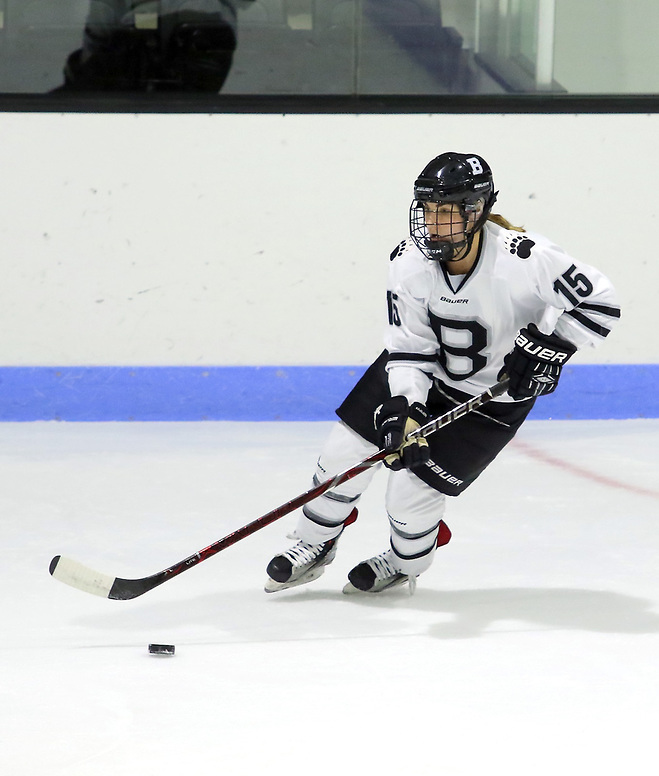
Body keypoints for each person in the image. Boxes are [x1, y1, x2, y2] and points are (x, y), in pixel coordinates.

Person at [265, 152, 621, 595]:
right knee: (342, 455)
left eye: (445, 212)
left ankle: (404, 560)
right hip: (422, 375)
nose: (432, 224)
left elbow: (600, 300)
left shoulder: (527, 258)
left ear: (476, 211)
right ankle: (314, 544)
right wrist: (405, 406)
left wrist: (555, 346)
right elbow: (410, 347)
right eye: (427, 210)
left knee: (409, 499)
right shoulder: (409, 260)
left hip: (489, 401)